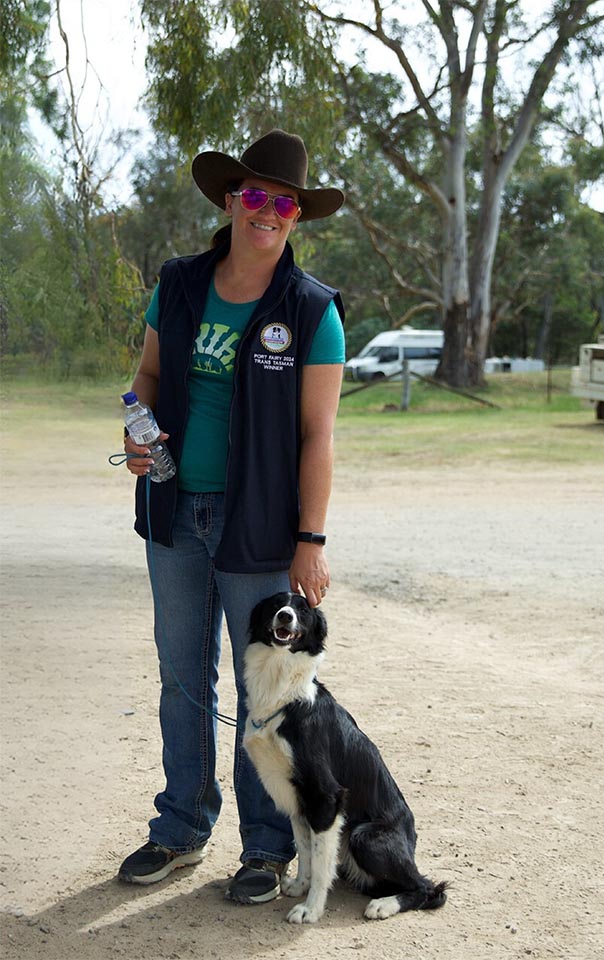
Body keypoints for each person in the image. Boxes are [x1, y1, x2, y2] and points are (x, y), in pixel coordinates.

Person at [118, 129, 346, 905]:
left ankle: (267, 849)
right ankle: (180, 828)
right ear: (229, 200)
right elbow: (148, 375)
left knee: (267, 692)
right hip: (175, 513)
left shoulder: (312, 311)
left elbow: (318, 436)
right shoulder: (179, 285)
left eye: (284, 203)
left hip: (260, 526)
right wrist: (136, 432)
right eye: (255, 195)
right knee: (182, 677)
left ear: (296, 218)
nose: (269, 212)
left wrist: (310, 540)